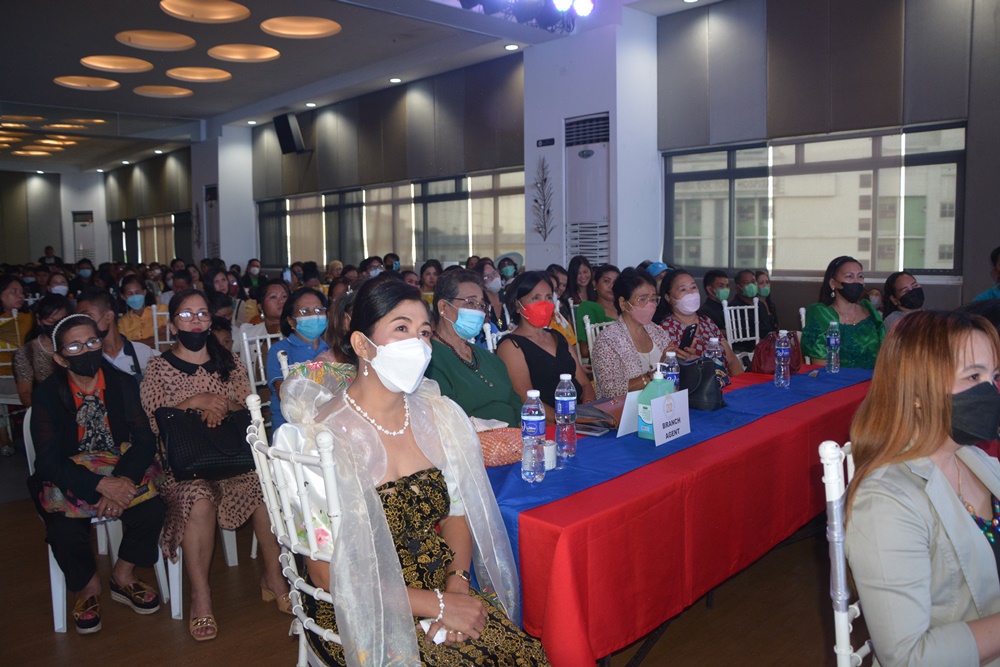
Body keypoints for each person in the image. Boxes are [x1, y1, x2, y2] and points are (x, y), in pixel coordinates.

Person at [281, 276, 549, 666]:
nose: (418, 344)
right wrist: (437, 605)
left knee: (525, 655)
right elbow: (326, 575)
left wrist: (457, 586)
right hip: (363, 608)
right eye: (401, 329)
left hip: (442, 584)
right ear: (362, 345)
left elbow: (456, 514)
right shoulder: (319, 440)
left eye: (424, 332)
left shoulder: (438, 416)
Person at [845, 310, 1000, 667]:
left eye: (994, 376)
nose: (991, 391)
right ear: (917, 390)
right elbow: (908, 657)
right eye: (973, 376)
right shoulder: (886, 501)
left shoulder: (976, 460)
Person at [140, 290, 289, 641]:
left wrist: (219, 405)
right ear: (172, 324)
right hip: (183, 466)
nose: (195, 321)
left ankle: (274, 577)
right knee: (199, 499)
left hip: (230, 457)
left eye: (202, 314)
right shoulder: (158, 366)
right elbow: (152, 421)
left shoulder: (230, 362)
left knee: (264, 485)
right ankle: (201, 597)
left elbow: (249, 406)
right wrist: (195, 402)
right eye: (186, 314)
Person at [29, 314, 165, 634]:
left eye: (92, 342)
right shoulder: (47, 394)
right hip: (71, 469)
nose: (86, 350)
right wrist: (100, 485)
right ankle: (87, 586)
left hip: (119, 465)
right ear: (60, 358)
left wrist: (123, 482)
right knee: (62, 524)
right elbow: (48, 460)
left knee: (153, 507)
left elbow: (144, 440)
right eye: (75, 347)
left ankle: (123, 574)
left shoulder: (122, 383)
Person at [425, 269, 522, 424]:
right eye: (470, 303)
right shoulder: (430, 361)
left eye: (481, 305)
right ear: (443, 306)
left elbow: (517, 406)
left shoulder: (491, 360)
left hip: (516, 437)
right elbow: (449, 422)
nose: (478, 310)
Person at [497, 271, 594, 418]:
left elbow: (584, 384)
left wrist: (588, 408)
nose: (544, 303)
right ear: (517, 304)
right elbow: (525, 399)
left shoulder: (558, 337)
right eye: (535, 298)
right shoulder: (511, 346)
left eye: (548, 297)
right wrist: (566, 420)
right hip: (544, 423)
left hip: (581, 417)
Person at [591, 269, 674, 399]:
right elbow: (610, 391)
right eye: (642, 299)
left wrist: (683, 360)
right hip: (624, 409)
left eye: (653, 299)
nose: (650, 305)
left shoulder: (658, 332)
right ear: (623, 303)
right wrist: (655, 373)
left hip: (663, 404)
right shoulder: (607, 340)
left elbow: (673, 373)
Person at [654, 269, 744, 377]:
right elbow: (675, 372)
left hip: (726, 382)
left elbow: (732, 359)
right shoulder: (667, 328)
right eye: (683, 289)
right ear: (668, 298)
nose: (691, 293)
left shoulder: (707, 322)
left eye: (693, 287)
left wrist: (741, 382)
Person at [265, 287, 331, 430]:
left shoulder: (330, 350)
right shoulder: (280, 351)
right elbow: (285, 395)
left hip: (329, 420)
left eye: (319, 310)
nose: (314, 315)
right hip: (291, 426)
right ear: (291, 321)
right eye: (305, 311)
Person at [802, 256, 884, 369]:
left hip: (875, 378)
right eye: (849, 276)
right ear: (833, 283)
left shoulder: (870, 312)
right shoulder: (821, 314)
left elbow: (885, 354)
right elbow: (820, 366)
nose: (856, 281)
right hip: (835, 379)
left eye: (860, 276)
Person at [76, 288, 158, 380]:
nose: (82, 324)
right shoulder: (86, 358)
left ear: (108, 316)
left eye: (87, 317)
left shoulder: (143, 353)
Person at [13, 293, 70, 407]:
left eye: (61, 321)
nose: (56, 326)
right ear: (39, 320)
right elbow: (25, 393)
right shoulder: (26, 352)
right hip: (45, 406)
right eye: (51, 321)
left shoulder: (77, 346)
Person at [0, 275, 32, 455]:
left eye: (21, 292)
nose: (20, 296)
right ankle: (4, 437)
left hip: (22, 378)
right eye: (13, 291)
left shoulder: (27, 318)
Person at [732, 269, 775, 349]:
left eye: (753, 281)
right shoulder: (734, 307)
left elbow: (769, 329)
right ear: (737, 288)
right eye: (746, 282)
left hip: (766, 346)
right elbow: (742, 334)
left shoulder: (760, 304)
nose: (751, 285)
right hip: (745, 349)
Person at [574, 264, 620, 339]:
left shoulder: (626, 308)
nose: (612, 286)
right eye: (606, 281)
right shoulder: (588, 308)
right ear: (595, 284)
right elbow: (584, 345)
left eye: (615, 282)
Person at [117, 275, 156, 347]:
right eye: (130, 293)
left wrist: (135, 342)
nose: (134, 296)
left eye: (137, 292)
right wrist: (154, 339)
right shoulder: (122, 322)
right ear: (123, 297)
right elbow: (125, 345)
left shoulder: (161, 310)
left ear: (144, 292)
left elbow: (167, 338)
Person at [698, 269, 730, 334]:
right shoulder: (704, 313)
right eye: (721, 286)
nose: (726, 289)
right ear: (710, 290)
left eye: (727, 286)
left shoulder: (728, 307)